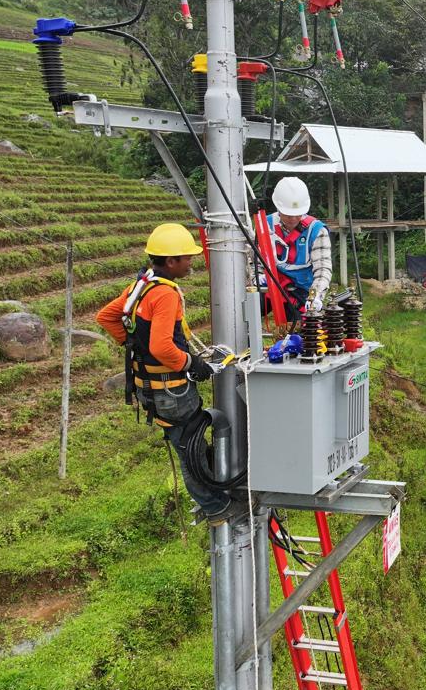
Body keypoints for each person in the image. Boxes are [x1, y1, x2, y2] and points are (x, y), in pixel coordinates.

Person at [97, 223, 234, 524]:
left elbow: (107, 317)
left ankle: (217, 493)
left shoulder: (139, 287)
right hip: (171, 391)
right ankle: (214, 506)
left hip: (151, 388)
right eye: (186, 257)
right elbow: (161, 346)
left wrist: (134, 344)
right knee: (191, 446)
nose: (190, 263)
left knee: (190, 441)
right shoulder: (164, 294)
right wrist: (192, 364)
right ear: (171, 261)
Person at [259, 176, 332, 321]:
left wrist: (316, 296)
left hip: (302, 291)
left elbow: (323, 270)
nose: (292, 219)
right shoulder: (265, 225)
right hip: (271, 284)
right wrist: (257, 276)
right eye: (288, 214)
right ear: (278, 207)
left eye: (297, 214)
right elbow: (255, 260)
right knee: (244, 313)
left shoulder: (316, 231)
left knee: (304, 332)